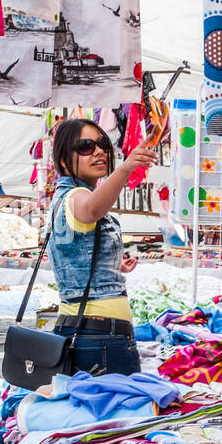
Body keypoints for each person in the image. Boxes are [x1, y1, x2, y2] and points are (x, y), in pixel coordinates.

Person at [46, 117, 157, 376]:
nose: (98, 151)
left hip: (84, 331)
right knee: (122, 414)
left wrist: (112, 265)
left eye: (102, 144)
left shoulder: (62, 198)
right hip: (100, 338)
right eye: (85, 146)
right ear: (64, 160)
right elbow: (93, 208)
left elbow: (74, 256)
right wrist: (126, 168)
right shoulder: (77, 196)